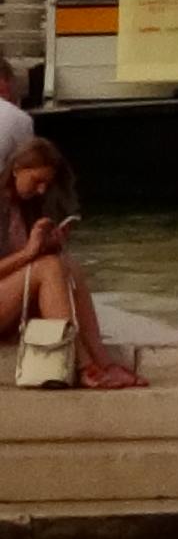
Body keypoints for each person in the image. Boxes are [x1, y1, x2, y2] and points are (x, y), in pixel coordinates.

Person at [0, 142, 135, 388]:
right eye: (36, 180)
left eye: (46, 184)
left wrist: (49, 245)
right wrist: (29, 253)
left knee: (66, 264)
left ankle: (102, 359)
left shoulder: (29, 206)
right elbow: (26, 260)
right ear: (17, 169)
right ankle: (84, 365)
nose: (41, 190)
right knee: (48, 267)